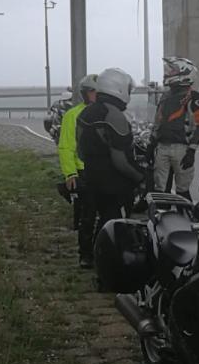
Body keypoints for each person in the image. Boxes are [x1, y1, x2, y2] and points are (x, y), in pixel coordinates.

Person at [76, 68, 145, 245]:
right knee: (114, 224)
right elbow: (120, 160)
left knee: (91, 219)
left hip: (90, 176)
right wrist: (141, 177)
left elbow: (80, 151)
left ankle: (87, 254)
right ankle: (109, 256)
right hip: (113, 183)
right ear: (118, 88)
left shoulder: (86, 112)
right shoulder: (114, 115)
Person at [58, 74, 99, 267]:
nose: (96, 94)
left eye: (98, 91)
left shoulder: (107, 112)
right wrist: (70, 173)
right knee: (87, 216)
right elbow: (66, 146)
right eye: (92, 91)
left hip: (105, 171)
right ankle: (86, 254)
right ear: (84, 93)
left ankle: (104, 250)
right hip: (84, 172)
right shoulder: (73, 115)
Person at [151, 56, 199, 198]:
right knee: (160, 190)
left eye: (172, 70)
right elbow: (158, 121)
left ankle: (186, 211)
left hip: (182, 149)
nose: (168, 73)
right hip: (162, 146)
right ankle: (161, 211)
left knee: (182, 190)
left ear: (185, 72)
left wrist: (192, 151)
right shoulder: (165, 96)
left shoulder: (195, 97)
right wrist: (152, 143)